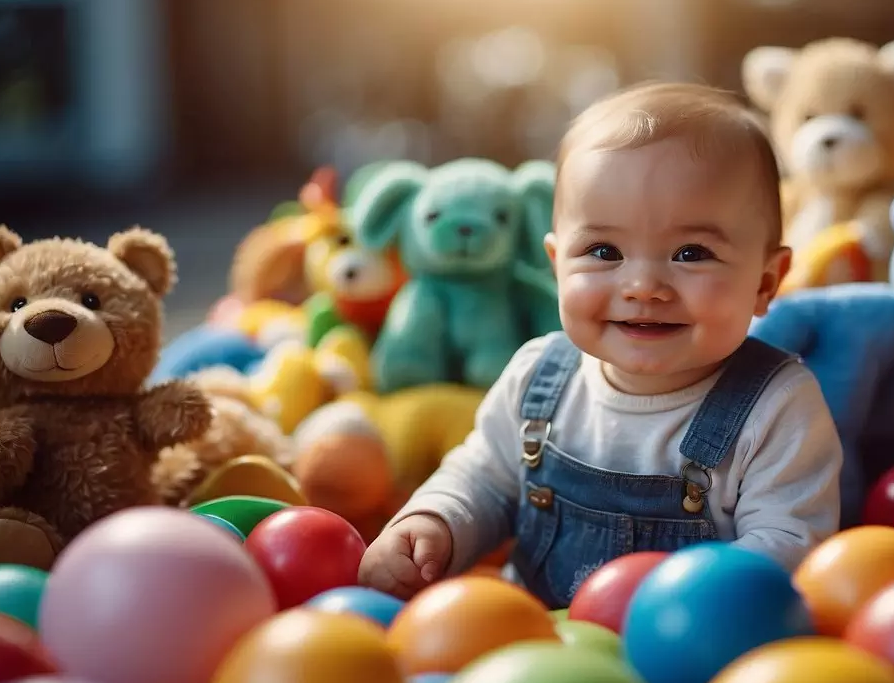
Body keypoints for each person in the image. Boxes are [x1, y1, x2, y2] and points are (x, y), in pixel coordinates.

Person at [359, 81, 843, 607]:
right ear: (555, 266)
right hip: (536, 644)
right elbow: (484, 478)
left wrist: (686, 608)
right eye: (603, 250)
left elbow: (790, 545)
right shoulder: (537, 374)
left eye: (690, 254)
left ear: (766, 283)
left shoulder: (777, 406)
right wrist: (436, 522)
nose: (641, 286)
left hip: (689, 663)